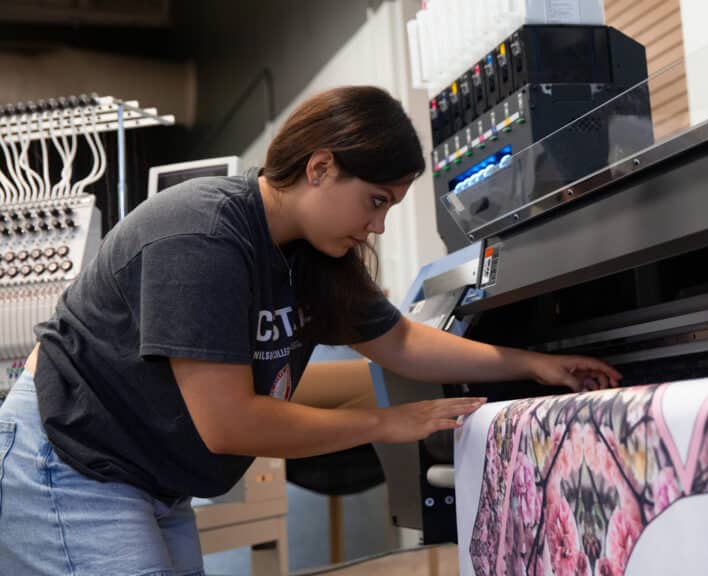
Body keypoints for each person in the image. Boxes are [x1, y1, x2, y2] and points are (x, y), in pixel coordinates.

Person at [0, 86, 621, 575]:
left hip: (153, 477)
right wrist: (387, 422)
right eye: (376, 201)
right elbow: (230, 425)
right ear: (321, 167)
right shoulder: (203, 235)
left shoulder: (310, 256)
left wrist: (531, 364)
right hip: (72, 460)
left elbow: (400, 341)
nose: (377, 226)